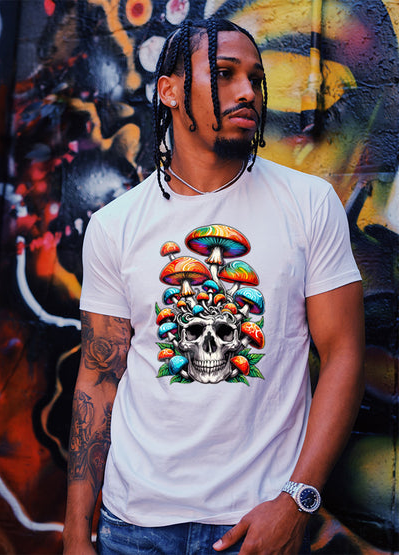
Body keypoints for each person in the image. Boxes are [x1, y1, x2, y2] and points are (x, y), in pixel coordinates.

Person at [63, 17, 364, 555]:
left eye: (255, 78)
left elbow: (343, 354)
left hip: (256, 525)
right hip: (132, 526)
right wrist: (74, 531)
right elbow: (99, 378)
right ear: (169, 91)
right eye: (224, 73)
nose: (248, 91)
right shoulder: (116, 225)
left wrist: (297, 501)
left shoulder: (309, 204)